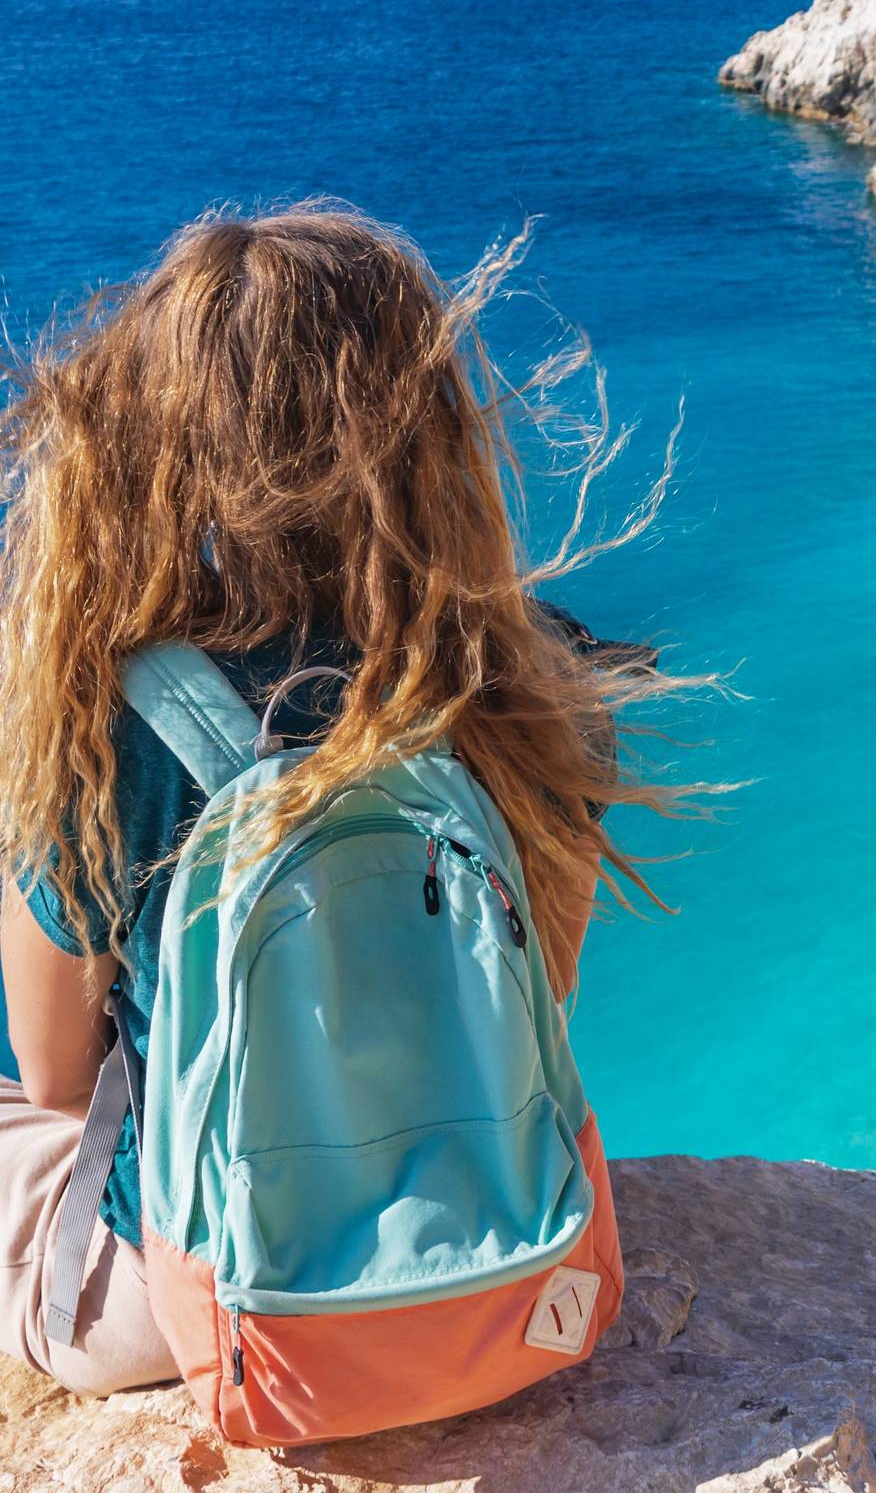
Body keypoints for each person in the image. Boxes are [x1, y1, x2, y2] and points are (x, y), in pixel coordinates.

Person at [0, 205, 678, 1394]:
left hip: (211, 1311)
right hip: (514, 1268)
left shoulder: (119, 721)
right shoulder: (530, 676)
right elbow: (541, 988)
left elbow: (57, 1077)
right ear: (428, 425)